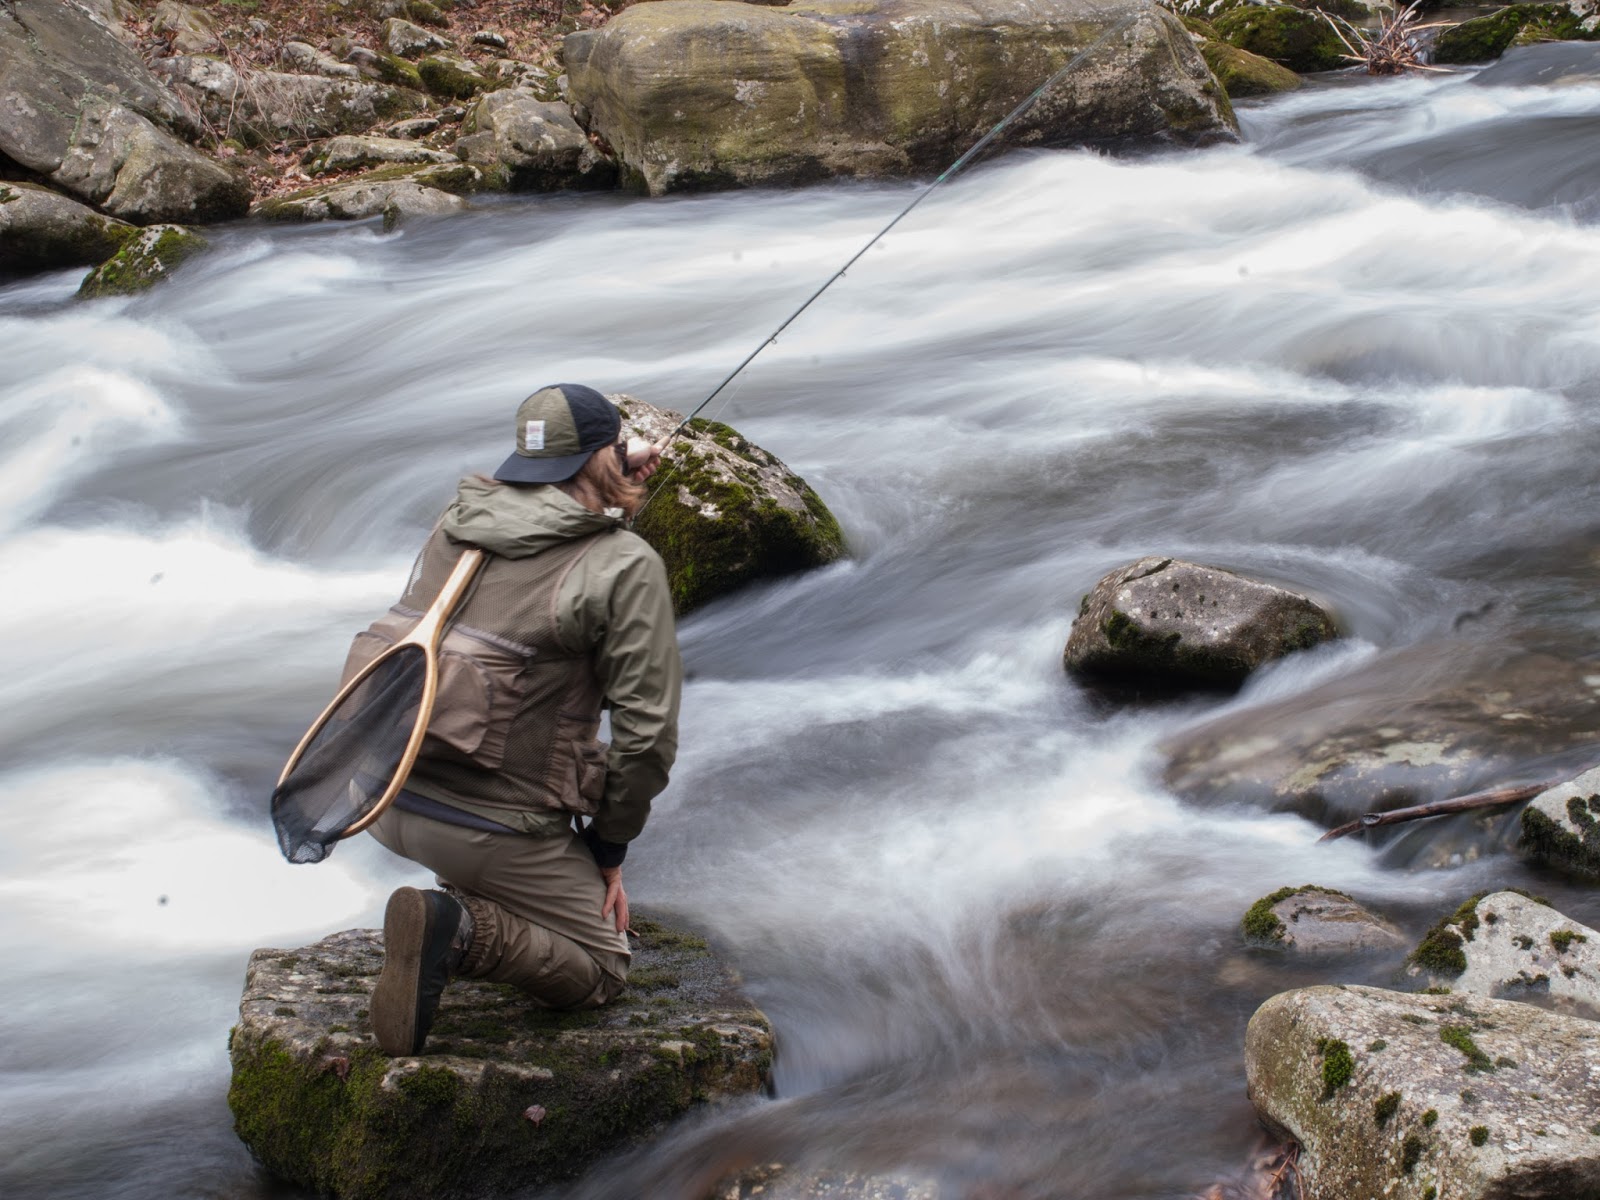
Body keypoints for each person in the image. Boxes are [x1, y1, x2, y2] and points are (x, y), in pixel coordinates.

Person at [356, 383, 682, 1057]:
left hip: (382, 796)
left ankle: (460, 898)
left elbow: (548, 531)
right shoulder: (626, 566)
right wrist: (607, 854)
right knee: (601, 969)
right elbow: (646, 740)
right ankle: (460, 930)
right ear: (602, 459)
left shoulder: (458, 521)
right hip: (486, 832)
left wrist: (606, 473)